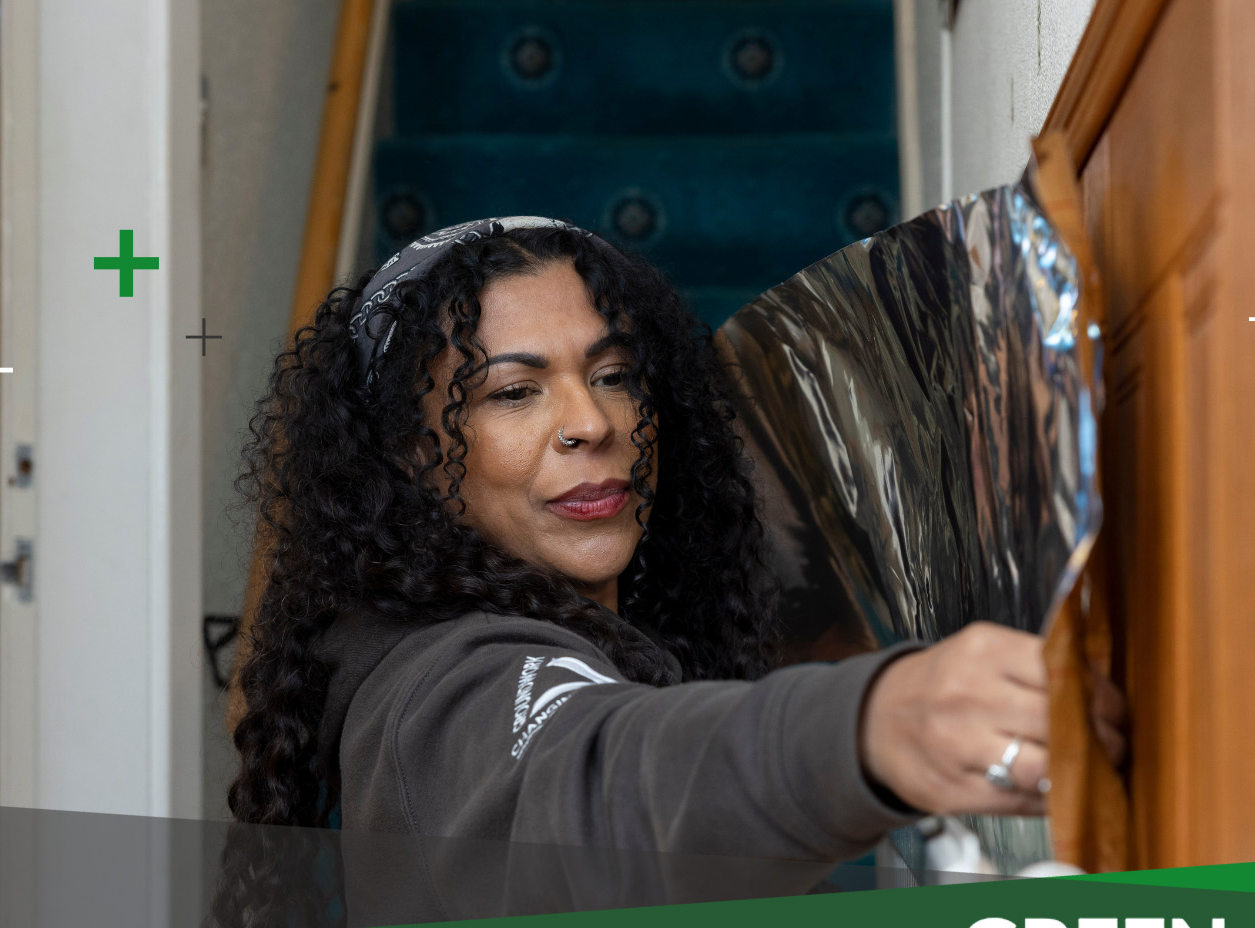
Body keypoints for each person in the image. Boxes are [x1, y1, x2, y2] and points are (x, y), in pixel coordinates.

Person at [228, 216, 1102, 870]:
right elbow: (598, 785)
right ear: (410, 458)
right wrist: (870, 725)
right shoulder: (442, 692)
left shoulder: (626, 643)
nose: (590, 422)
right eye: (511, 394)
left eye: (613, 376)